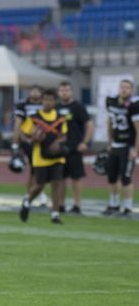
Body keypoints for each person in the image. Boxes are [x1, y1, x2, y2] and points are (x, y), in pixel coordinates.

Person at [19, 89, 68, 224]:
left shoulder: (60, 117)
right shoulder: (34, 118)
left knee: (57, 184)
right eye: (46, 100)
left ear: (55, 101)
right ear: (42, 101)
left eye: (51, 100)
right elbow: (23, 133)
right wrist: (31, 140)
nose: (48, 102)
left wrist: (58, 143)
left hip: (57, 156)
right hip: (40, 157)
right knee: (39, 185)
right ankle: (27, 200)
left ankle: (55, 214)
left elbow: (64, 135)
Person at [103, 79, 139, 216]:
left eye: (127, 87)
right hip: (116, 144)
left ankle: (128, 206)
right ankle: (113, 204)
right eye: (122, 87)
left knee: (126, 176)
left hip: (127, 146)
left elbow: (138, 129)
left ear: (132, 90)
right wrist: (110, 142)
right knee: (111, 176)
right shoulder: (111, 102)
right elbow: (110, 123)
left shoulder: (134, 105)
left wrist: (136, 149)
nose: (124, 90)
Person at [57, 81, 93, 215]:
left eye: (67, 90)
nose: (64, 92)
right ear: (58, 92)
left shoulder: (78, 107)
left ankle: (77, 205)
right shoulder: (56, 107)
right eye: (62, 90)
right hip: (59, 149)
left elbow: (89, 125)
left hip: (74, 148)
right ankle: (60, 204)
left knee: (76, 178)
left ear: (71, 92)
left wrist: (85, 142)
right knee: (59, 178)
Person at [12, 86, 46, 205]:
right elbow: (18, 124)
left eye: (37, 90)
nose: (35, 93)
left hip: (43, 141)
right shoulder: (23, 104)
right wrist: (16, 142)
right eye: (33, 90)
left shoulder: (45, 104)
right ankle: (33, 194)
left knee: (41, 170)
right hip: (28, 140)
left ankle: (36, 193)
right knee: (34, 169)